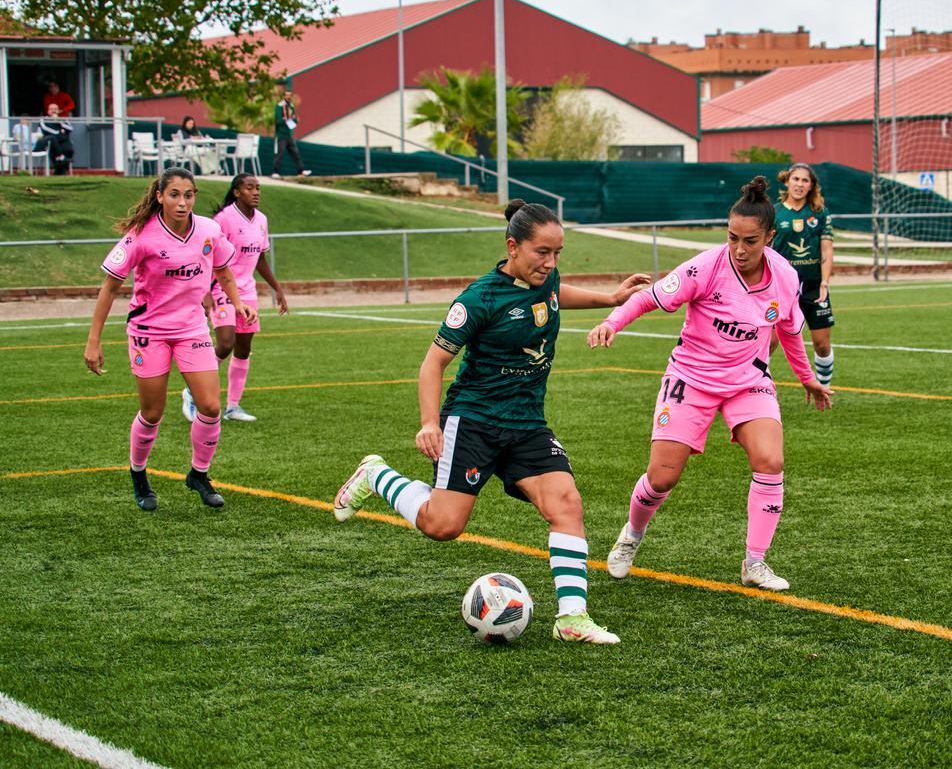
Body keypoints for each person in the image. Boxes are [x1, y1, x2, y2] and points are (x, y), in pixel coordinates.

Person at [332, 200, 650, 644]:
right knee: (442, 527)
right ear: (513, 247)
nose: (551, 262)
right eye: (543, 252)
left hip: (526, 422)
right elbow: (433, 363)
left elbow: (557, 294)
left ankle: (572, 619)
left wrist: (610, 298)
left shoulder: (547, 277)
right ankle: (376, 474)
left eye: (558, 253)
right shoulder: (479, 298)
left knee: (566, 504)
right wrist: (429, 423)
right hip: (474, 421)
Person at [588, 176, 832, 592]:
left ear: (769, 238)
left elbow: (790, 330)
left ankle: (755, 562)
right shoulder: (706, 266)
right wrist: (612, 322)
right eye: (733, 237)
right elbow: (649, 297)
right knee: (662, 478)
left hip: (747, 380)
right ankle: (631, 534)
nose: (739, 249)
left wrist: (807, 378)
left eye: (750, 241)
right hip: (691, 378)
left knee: (770, 461)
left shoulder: (786, 278)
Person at [84, 167, 258, 511]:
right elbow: (109, 287)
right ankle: (139, 475)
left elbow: (223, 268)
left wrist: (237, 304)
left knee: (209, 406)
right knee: (153, 412)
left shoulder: (209, 229)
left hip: (192, 329)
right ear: (160, 196)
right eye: (174, 195)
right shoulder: (141, 236)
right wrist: (93, 340)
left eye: (189, 195)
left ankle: (199, 474)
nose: (182, 202)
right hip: (149, 333)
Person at [182, 173, 288, 423]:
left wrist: (277, 288)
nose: (256, 192)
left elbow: (260, 258)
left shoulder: (262, 220)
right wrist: (205, 292)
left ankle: (232, 406)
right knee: (226, 342)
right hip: (221, 288)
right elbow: (208, 257)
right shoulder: (223, 219)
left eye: (258, 188)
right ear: (237, 192)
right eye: (249, 188)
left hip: (248, 292)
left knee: (243, 349)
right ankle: (192, 393)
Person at [771, 163, 835, 388]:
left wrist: (825, 282)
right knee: (769, 342)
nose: (799, 184)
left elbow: (826, 249)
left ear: (811, 186)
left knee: (822, 344)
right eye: (795, 179)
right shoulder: (774, 212)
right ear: (787, 181)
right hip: (780, 287)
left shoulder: (819, 213)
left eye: (804, 181)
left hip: (813, 286)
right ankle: (756, 388)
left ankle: (824, 388)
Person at [271, 86, 311, 178]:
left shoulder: (291, 106)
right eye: (287, 95)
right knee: (280, 153)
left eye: (290, 96)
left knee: (295, 153)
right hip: (281, 134)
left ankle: (301, 170)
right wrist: (286, 119)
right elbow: (278, 120)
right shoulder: (280, 106)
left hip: (289, 134)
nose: (288, 97)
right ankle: (275, 172)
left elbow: (292, 119)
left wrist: (295, 120)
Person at [35, 104, 74, 174]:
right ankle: (59, 166)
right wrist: (60, 132)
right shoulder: (44, 120)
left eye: (55, 109)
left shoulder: (63, 119)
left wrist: (59, 121)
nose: (54, 111)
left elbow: (70, 128)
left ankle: (62, 169)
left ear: (58, 111)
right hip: (51, 141)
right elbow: (46, 129)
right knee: (54, 145)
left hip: (63, 140)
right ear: (48, 111)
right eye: (52, 109)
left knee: (69, 150)